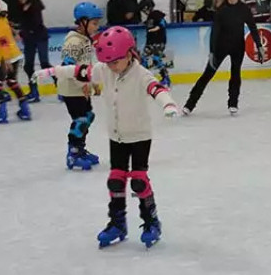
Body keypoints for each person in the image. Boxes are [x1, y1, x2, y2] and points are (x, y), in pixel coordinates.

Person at [36, 27, 178, 248]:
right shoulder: (105, 69)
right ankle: (117, 223)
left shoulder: (141, 74)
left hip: (139, 136)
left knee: (139, 181)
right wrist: (52, 71)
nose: (111, 66)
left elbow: (156, 89)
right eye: (108, 62)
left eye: (115, 62)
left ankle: (151, 222)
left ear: (130, 53)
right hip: (117, 136)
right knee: (115, 180)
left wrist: (167, 104)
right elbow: (78, 71)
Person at [183, 0, 263, 115]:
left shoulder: (244, 9)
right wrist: (212, 52)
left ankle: (233, 103)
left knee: (235, 74)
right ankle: (190, 104)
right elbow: (215, 32)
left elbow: (253, 28)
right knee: (207, 74)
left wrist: (259, 45)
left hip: (238, 47)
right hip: (221, 47)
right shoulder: (221, 10)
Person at [58, 2, 104, 171]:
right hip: (71, 88)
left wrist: (94, 83)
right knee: (80, 120)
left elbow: (86, 65)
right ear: (82, 22)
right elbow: (67, 67)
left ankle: (81, 149)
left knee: (88, 116)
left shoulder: (85, 40)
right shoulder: (73, 41)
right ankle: (73, 154)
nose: (96, 27)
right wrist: (82, 83)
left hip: (82, 87)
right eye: (94, 23)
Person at [14, 0, 49, 103]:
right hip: (29, 39)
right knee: (28, 66)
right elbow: (23, 23)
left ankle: (60, 87)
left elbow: (36, 24)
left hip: (40, 37)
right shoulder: (19, 7)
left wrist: (22, 32)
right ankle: (34, 91)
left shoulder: (35, 5)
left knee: (44, 63)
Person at [138, 0, 172, 88]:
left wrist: (155, 28)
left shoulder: (156, 14)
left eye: (143, 9)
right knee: (144, 59)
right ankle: (143, 78)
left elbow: (162, 23)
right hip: (150, 42)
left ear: (147, 7)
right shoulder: (150, 17)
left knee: (157, 59)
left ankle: (166, 77)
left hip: (158, 41)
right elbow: (149, 24)